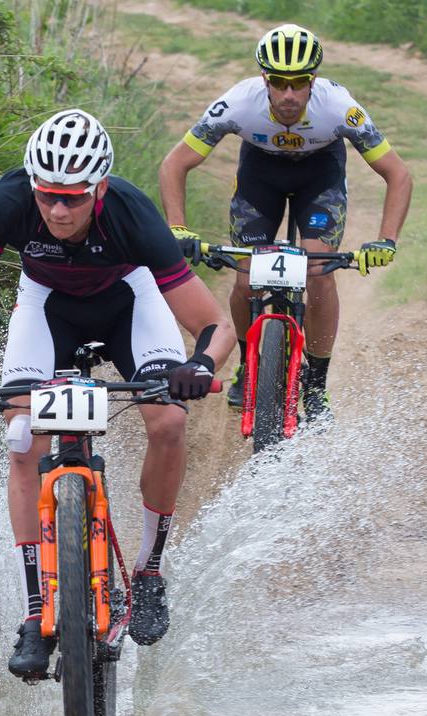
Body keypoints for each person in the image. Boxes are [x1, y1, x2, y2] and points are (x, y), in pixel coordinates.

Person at [0, 109, 234, 678]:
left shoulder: (133, 214)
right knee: (22, 438)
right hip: (47, 309)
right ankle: (36, 610)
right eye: (48, 197)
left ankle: (147, 572)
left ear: (101, 188)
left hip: (129, 304)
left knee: (167, 421)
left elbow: (216, 323)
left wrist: (199, 365)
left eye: (73, 197)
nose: (59, 210)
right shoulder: (9, 199)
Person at [158, 23, 412, 419]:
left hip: (320, 177)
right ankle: (247, 364)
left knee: (319, 272)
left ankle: (315, 385)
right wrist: (178, 227)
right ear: (265, 79)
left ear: (314, 79)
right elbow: (176, 163)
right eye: (278, 82)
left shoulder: (339, 106)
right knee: (245, 279)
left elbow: (398, 174)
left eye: (299, 82)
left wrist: (387, 239)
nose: (289, 93)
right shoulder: (239, 103)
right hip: (261, 178)